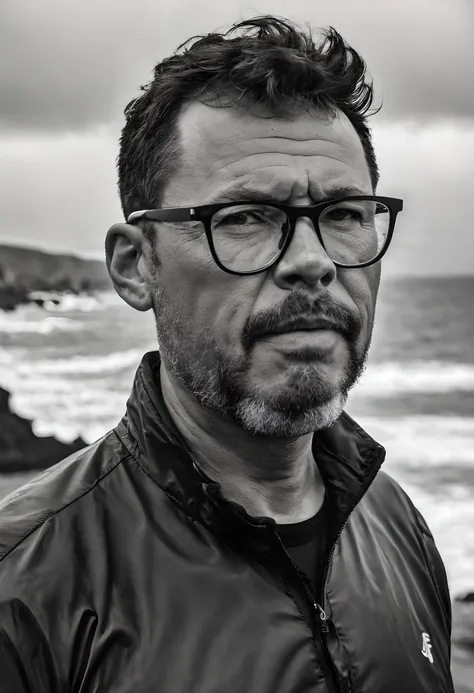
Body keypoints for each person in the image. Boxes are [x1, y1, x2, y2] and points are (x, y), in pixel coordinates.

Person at [0, 16, 454, 692]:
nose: (313, 262)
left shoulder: (398, 526)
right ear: (135, 265)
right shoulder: (26, 585)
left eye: (345, 214)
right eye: (244, 217)